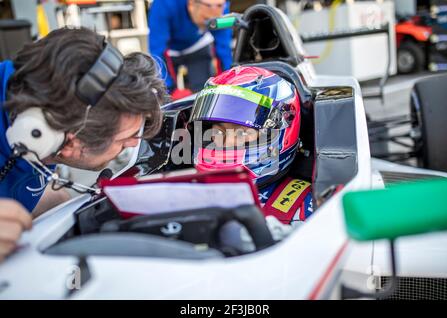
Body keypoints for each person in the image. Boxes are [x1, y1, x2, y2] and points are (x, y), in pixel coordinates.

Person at [0, 27, 166, 261]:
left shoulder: (42, 124)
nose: (130, 145)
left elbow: (32, 192)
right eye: (123, 140)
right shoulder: (48, 128)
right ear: (70, 141)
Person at [188, 66, 314, 250]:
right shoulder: (185, 192)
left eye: (242, 132)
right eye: (219, 131)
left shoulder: (307, 205)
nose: (228, 142)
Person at [148, 0, 232, 95]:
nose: (208, 24)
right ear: (191, 4)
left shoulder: (220, 5)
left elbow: (223, 47)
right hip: (170, 50)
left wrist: (229, 81)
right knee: (167, 94)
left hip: (198, 45)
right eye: (205, 19)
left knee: (202, 91)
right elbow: (157, 50)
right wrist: (168, 88)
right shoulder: (163, 5)